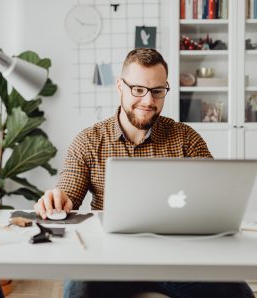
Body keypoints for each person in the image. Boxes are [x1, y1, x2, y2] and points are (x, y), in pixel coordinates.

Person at [34, 48, 254, 298]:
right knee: (78, 292)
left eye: (158, 91)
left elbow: (215, 200)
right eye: (138, 89)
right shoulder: (89, 140)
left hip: (180, 258)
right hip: (109, 259)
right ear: (120, 86)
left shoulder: (186, 139)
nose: (148, 101)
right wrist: (58, 199)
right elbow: (68, 192)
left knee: (239, 294)